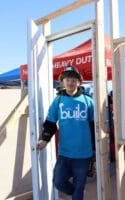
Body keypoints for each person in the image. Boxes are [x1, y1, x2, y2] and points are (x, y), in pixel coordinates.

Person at [37, 66, 95, 200]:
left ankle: (77, 194)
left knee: (79, 189)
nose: (70, 82)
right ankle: (76, 193)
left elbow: (93, 126)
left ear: (79, 82)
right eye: (67, 79)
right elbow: (50, 122)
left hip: (84, 154)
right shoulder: (58, 101)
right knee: (58, 182)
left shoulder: (88, 101)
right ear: (63, 81)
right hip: (65, 153)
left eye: (74, 79)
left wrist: (94, 150)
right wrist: (44, 139)